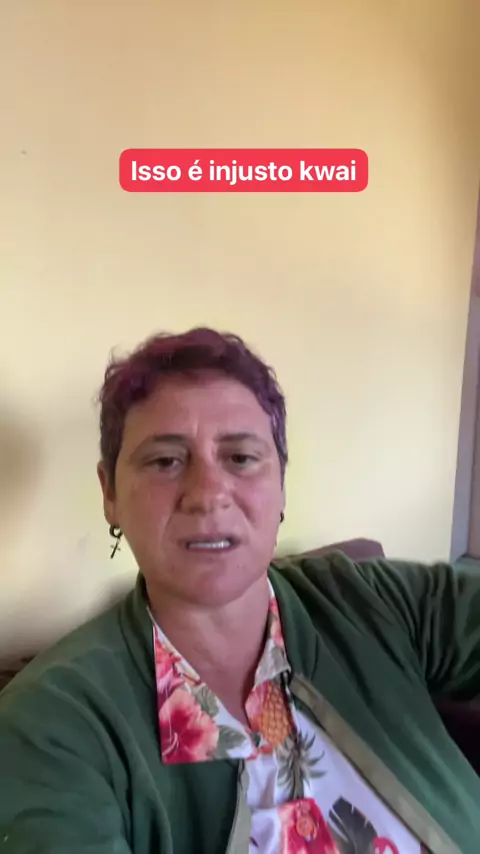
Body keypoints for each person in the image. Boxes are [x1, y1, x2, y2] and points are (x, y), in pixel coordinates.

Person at [0, 327, 479, 854]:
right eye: (165, 461)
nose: (207, 494)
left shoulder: (367, 601)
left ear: (281, 484)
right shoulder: (51, 724)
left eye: (241, 458)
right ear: (109, 493)